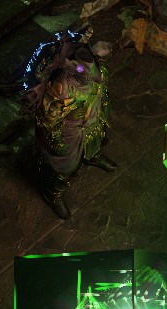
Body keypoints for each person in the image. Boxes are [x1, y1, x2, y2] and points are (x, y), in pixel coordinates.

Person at [23, 29, 115, 220]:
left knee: (96, 140)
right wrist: (58, 143)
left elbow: (90, 73)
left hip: (92, 118)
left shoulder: (94, 68)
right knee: (65, 169)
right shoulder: (62, 86)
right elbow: (49, 119)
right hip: (69, 131)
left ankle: (92, 156)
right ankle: (53, 194)